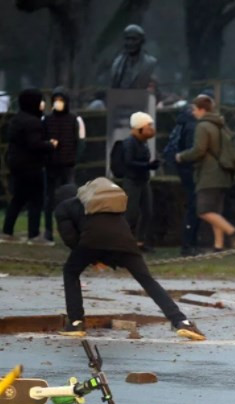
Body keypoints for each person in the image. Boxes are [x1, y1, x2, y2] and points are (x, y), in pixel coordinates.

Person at [54, 180, 205, 340]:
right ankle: (182, 321)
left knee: (70, 271)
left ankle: (76, 323)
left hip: (91, 240)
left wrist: (91, 257)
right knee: (147, 281)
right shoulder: (104, 202)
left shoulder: (63, 208)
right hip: (125, 242)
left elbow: (69, 237)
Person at [176, 96, 235, 251]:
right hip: (223, 173)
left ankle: (234, 233)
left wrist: (181, 156)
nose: (193, 113)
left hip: (209, 174)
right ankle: (218, 246)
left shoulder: (203, 126)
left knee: (204, 210)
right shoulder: (220, 124)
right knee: (215, 211)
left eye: (194, 109)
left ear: (202, 110)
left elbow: (199, 150)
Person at [1, 88, 58, 245]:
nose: (42, 104)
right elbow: (35, 144)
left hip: (17, 165)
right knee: (36, 200)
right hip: (32, 167)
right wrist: (50, 145)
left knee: (18, 199)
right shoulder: (33, 122)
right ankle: (34, 235)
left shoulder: (17, 119)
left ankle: (7, 231)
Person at [165, 89, 214, 256]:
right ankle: (188, 244)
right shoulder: (194, 124)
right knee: (194, 206)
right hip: (190, 169)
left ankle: (190, 243)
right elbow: (194, 149)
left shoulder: (184, 120)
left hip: (184, 168)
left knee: (194, 205)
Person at [43, 86, 86, 243]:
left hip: (67, 165)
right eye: (55, 100)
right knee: (49, 199)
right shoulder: (46, 120)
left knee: (70, 199)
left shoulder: (75, 120)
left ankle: (72, 231)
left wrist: (74, 159)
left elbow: (80, 144)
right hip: (51, 165)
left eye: (60, 100)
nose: (58, 103)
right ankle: (48, 230)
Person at [122, 112, 159, 252]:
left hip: (143, 181)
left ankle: (140, 241)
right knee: (130, 213)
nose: (150, 129)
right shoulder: (129, 142)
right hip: (132, 181)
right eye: (148, 126)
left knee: (147, 212)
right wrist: (147, 166)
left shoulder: (143, 143)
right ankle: (126, 241)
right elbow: (129, 161)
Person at [110, 24, 157, 90]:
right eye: (128, 39)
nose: (130, 43)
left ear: (142, 41)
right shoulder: (117, 63)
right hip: (119, 98)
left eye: (134, 39)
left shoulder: (150, 63)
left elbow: (154, 88)